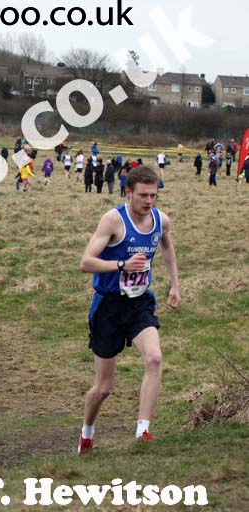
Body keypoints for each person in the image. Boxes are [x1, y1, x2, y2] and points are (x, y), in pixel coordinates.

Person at [78, 166, 180, 455]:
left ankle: (143, 430)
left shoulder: (161, 220)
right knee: (103, 388)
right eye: (143, 195)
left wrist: (175, 285)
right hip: (108, 304)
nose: (149, 201)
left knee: (155, 358)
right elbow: (86, 262)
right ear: (129, 192)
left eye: (154, 195)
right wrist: (121, 265)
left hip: (139, 302)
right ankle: (87, 432)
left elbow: (168, 249)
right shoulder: (113, 220)